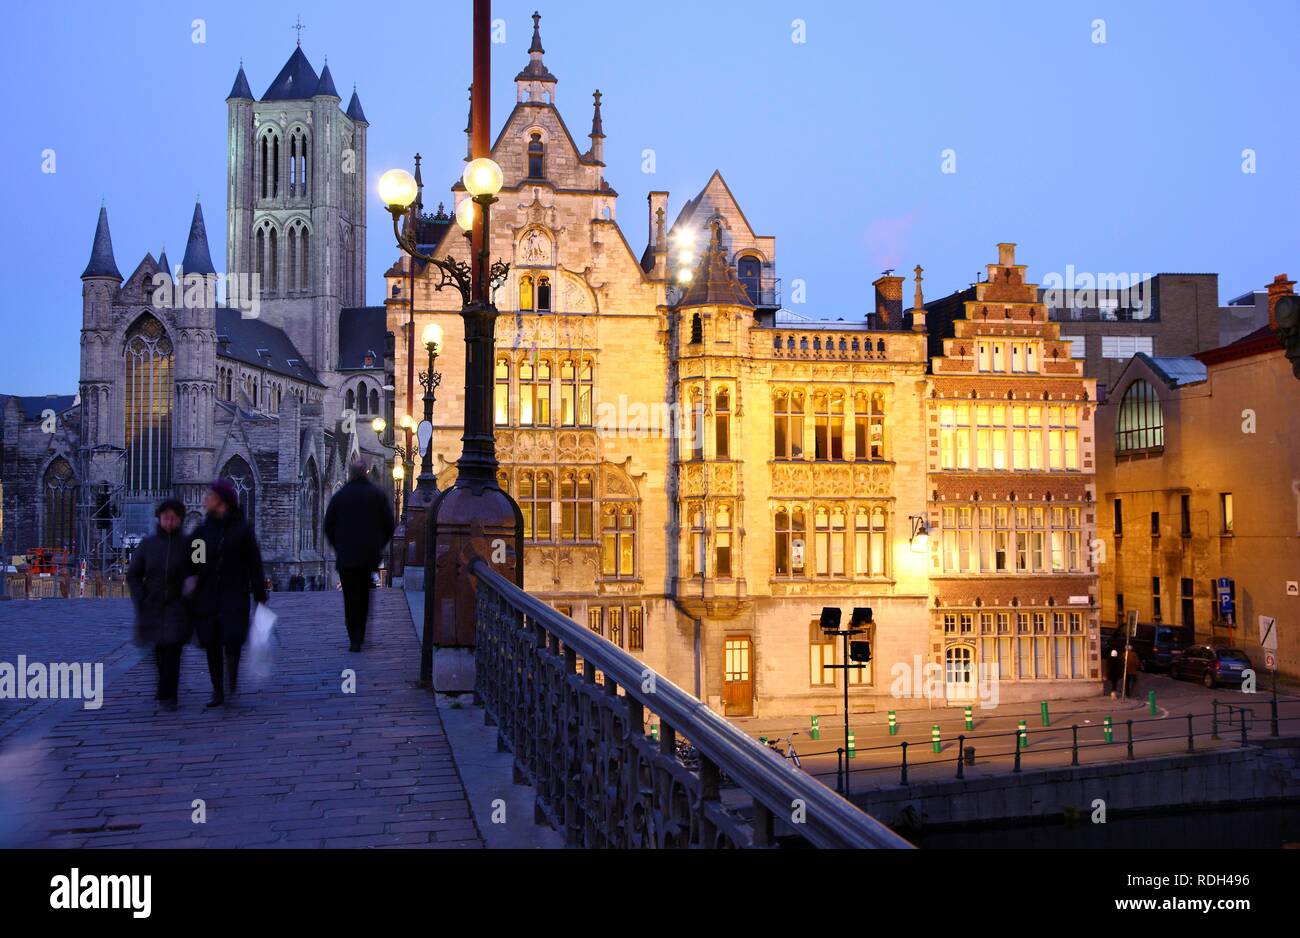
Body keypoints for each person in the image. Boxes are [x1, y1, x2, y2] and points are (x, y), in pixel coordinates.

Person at [187, 480, 267, 708]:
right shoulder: (203, 530)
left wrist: (260, 595)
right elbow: (195, 561)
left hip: (235, 594)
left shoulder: (242, 529)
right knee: (212, 644)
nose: (205, 500)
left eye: (209, 496)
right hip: (209, 596)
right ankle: (217, 691)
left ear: (222, 501)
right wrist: (193, 579)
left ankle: (231, 678)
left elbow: (254, 563)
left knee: (231, 641)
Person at [126, 498, 193, 711]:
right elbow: (133, 574)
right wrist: (141, 597)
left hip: (178, 605)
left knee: (173, 651)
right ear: (159, 519)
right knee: (160, 651)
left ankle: (169, 694)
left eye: (173, 518)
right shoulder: (149, 544)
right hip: (153, 605)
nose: (169, 522)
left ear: (180, 520)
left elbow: (199, 570)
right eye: (166, 518)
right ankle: (164, 687)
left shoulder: (190, 545)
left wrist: (192, 586)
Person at [324, 459, 395, 652]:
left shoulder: (341, 496)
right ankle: (360, 635)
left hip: (346, 556)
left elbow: (328, 524)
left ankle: (353, 637)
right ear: (366, 473)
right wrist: (379, 545)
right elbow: (390, 524)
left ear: (351, 473)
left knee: (350, 598)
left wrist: (338, 545)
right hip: (368, 556)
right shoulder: (376, 495)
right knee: (364, 596)